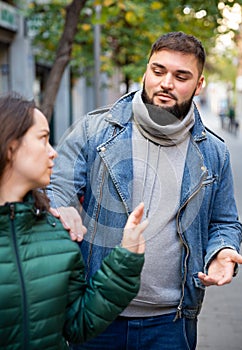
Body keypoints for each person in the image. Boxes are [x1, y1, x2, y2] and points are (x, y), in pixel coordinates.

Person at [48, 32, 242, 350]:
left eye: (181, 76)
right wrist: (63, 207)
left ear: (199, 85)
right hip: (97, 313)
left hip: (172, 321)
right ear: (146, 71)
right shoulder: (94, 130)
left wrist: (222, 251)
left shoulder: (214, 152)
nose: (167, 82)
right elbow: (55, 189)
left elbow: (224, 221)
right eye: (158, 70)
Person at [0, 92, 148, 349]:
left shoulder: (57, 235)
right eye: (43, 139)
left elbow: (77, 323)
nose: (53, 152)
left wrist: (125, 258)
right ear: (11, 146)